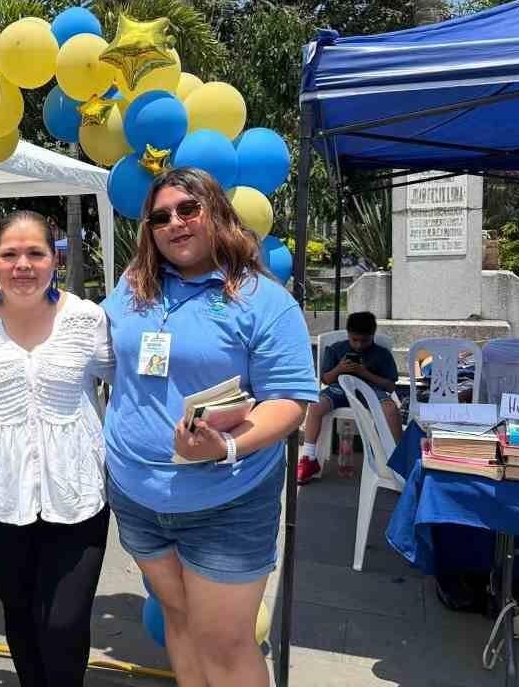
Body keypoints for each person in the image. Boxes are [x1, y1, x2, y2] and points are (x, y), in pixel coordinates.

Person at [101, 167, 318, 687]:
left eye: (188, 209)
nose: (174, 223)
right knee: (180, 620)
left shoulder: (262, 299)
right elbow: (91, 350)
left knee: (225, 644)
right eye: (160, 216)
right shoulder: (134, 289)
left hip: (228, 501)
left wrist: (224, 447)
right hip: (137, 496)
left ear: (216, 212)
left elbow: (289, 402)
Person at [0, 211, 114, 687]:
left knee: (64, 622)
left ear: (53, 258)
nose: (22, 265)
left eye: (35, 252)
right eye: (9, 254)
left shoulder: (88, 318)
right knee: (18, 613)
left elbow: (127, 386)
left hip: (77, 493)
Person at [297, 311, 401, 484]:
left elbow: (390, 386)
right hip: (340, 389)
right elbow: (326, 379)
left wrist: (364, 373)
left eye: (364, 341)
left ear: (372, 335)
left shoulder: (382, 354)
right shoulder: (336, 349)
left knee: (391, 409)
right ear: (348, 334)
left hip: (372, 390)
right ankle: (309, 457)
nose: (359, 346)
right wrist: (339, 368)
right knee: (315, 405)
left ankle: (397, 459)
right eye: (354, 340)